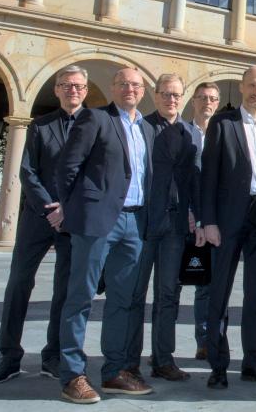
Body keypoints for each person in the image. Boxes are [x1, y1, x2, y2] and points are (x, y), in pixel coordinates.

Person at [55, 67, 156, 403]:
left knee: (123, 301)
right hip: (98, 223)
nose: (130, 88)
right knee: (80, 297)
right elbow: (68, 167)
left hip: (134, 224)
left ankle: (114, 371)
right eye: (123, 83)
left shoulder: (146, 128)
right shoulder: (95, 119)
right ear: (112, 88)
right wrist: (74, 210)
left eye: (136, 85)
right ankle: (72, 374)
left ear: (143, 91)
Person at [0, 65, 84, 384]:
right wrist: (50, 208)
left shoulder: (95, 126)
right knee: (19, 283)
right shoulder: (41, 125)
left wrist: (67, 209)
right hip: (38, 218)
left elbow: (95, 175)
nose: (73, 91)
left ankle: (53, 355)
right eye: (67, 85)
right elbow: (27, 171)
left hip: (73, 220)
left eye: (79, 86)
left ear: (86, 90)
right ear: (56, 90)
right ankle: (9, 356)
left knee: (65, 291)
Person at [201, 66, 256, 390]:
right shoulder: (223, 124)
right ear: (242, 87)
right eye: (252, 85)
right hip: (227, 220)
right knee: (218, 294)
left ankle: (252, 362)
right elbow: (208, 175)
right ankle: (218, 366)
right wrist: (208, 221)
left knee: (255, 298)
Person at [125, 74, 203, 383]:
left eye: (176, 95)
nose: (171, 99)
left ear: (182, 98)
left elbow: (194, 180)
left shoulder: (189, 134)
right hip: (144, 223)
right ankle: (129, 360)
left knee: (169, 295)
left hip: (175, 226)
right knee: (135, 294)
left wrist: (196, 215)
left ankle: (163, 359)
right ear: (155, 96)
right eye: (166, 94)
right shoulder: (141, 128)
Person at [188, 81, 219, 360]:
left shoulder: (223, 134)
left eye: (212, 98)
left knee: (211, 285)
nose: (207, 102)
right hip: (186, 219)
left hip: (216, 221)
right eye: (202, 97)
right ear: (194, 101)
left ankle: (211, 339)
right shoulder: (184, 133)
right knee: (192, 284)